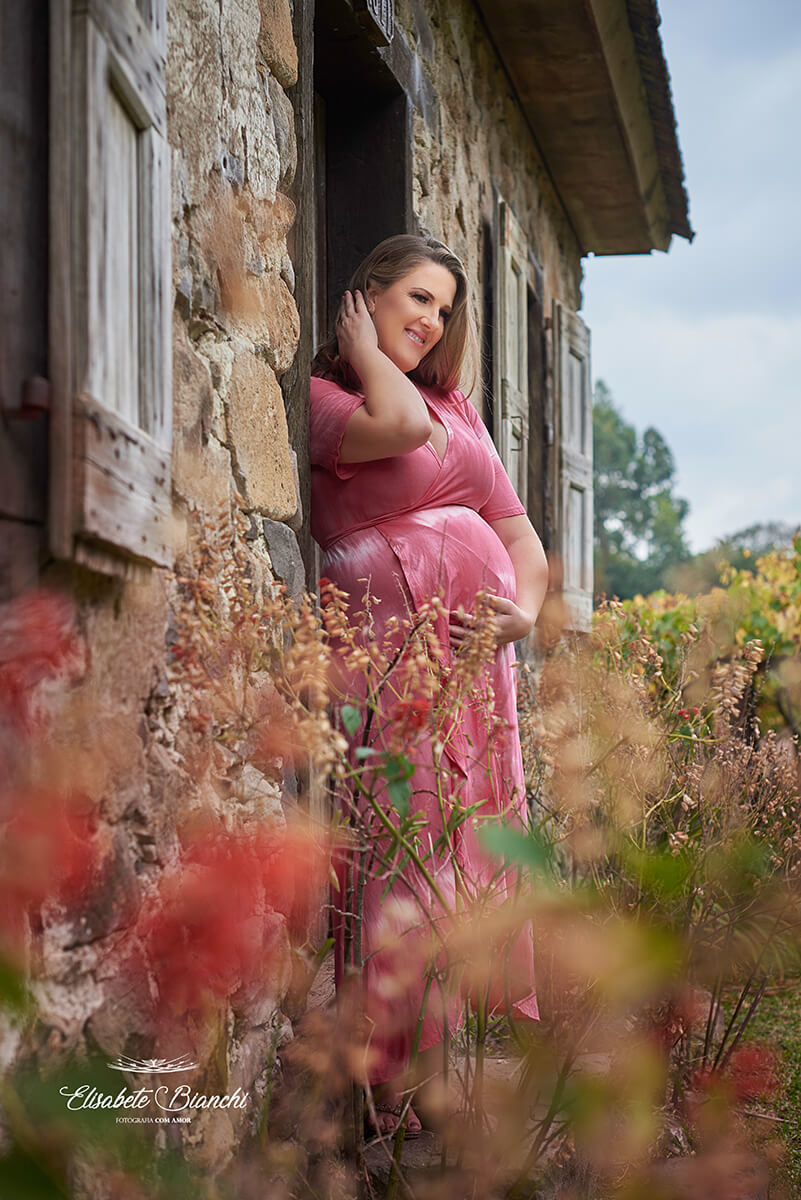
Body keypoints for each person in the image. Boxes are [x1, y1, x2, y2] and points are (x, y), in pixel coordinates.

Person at [309, 233, 548, 1138]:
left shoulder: (461, 408)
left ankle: (435, 1088)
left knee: (457, 856)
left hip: (471, 669)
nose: (430, 320)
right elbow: (399, 429)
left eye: (443, 308)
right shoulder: (331, 398)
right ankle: (388, 1091)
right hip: (387, 659)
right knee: (397, 852)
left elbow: (518, 539)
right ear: (364, 295)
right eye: (414, 297)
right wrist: (366, 351)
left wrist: (520, 614)